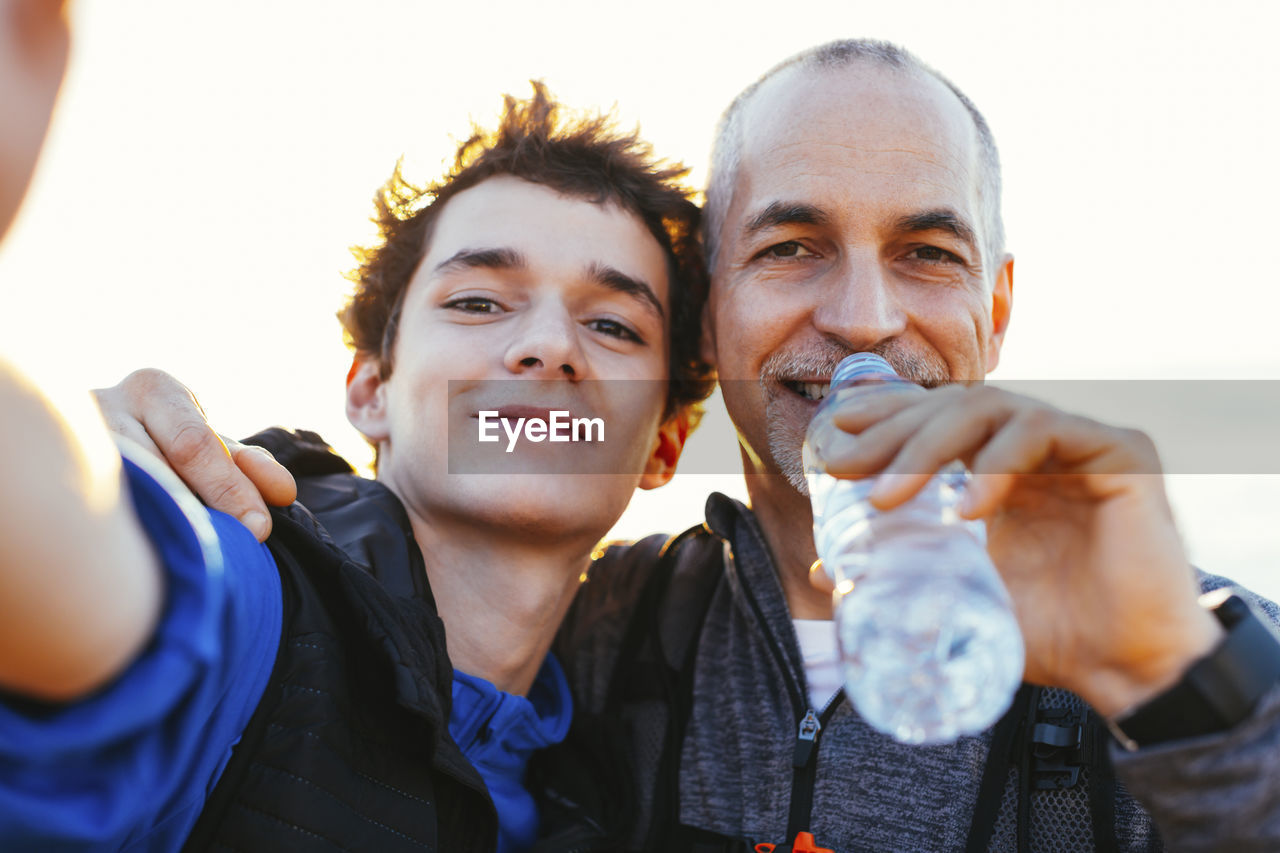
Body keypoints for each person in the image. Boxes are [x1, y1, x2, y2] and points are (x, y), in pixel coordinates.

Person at [94, 39, 1280, 852]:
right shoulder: (605, 631)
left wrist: (1178, 681)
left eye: (927, 252)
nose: (864, 316)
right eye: (791, 247)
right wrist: (119, 471)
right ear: (711, 318)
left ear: (997, 307)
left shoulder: (1178, 642)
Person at [0, 5, 715, 846]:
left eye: (615, 326)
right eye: (478, 300)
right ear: (371, 386)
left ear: (665, 443)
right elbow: (70, 556)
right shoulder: (250, 587)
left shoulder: (614, 786)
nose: (550, 346)